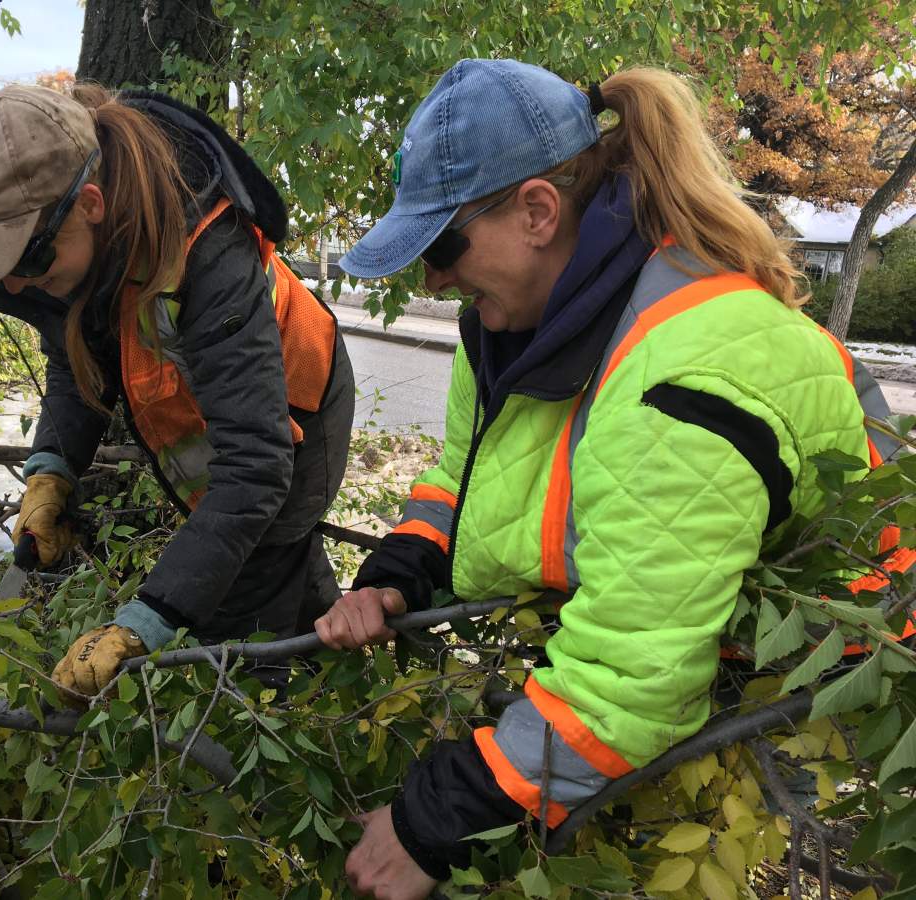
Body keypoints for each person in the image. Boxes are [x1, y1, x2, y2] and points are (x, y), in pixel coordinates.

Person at [313, 59, 904, 898]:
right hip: (680, 646)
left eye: (442, 245)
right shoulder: (518, 327)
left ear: (539, 212)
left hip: (813, 683)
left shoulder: (689, 368)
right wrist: (403, 567)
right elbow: (467, 474)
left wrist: (434, 822)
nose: (432, 280)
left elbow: (635, 676)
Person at [0, 83, 354, 703]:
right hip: (226, 430)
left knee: (235, 636)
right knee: (277, 564)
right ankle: (340, 687)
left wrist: (148, 618)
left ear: (91, 205)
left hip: (293, 413)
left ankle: (258, 754)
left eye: (31, 263)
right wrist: (52, 471)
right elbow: (78, 362)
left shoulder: (207, 252)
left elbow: (257, 470)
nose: (19, 284)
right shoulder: (65, 247)